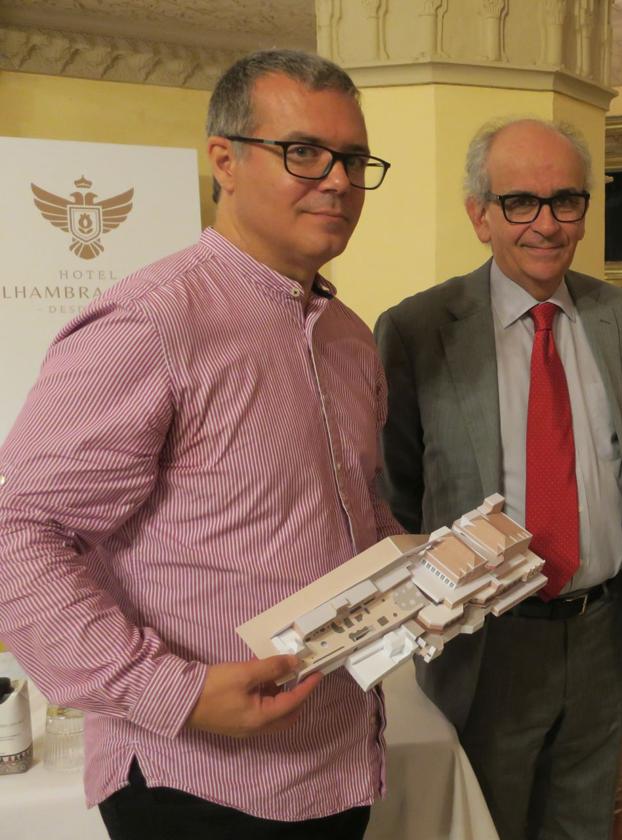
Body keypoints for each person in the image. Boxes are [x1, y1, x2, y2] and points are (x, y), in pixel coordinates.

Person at [0, 49, 398, 838]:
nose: (339, 180)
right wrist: (169, 692)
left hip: (339, 759)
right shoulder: (154, 322)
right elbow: (17, 533)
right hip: (198, 784)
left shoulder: (351, 339)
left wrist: (422, 571)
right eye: (304, 152)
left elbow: (342, 516)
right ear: (224, 158)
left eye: (352, 158)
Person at [375, 117, 622, 840]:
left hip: (603, 629)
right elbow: (399, 486)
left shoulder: (617, 314)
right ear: (480, 215)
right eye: (521, 202)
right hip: (487, 641)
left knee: (583, 820)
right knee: (485, 822)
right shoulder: (417, 329)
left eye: (567, 201)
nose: (548, 224)